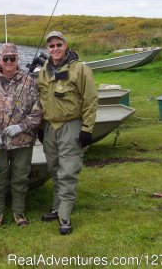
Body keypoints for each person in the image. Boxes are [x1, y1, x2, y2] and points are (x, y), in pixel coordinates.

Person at [37, 31, 98, 235]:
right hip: (49, 127)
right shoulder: (43, 71)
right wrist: (39, 128)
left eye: (58, 45)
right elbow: (40, 102)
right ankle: (57, 207)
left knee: (68, 172)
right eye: (51, 46)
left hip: (70, 126)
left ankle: (64, 215)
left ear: (66, 46)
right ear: (47, 49)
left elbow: (90, 101)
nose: (55, 49)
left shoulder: (81, 70)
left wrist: (87, 128)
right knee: (54, 170)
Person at [0, 43, 42, 229]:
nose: (9, 61)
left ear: (18, 59)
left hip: (22, 141)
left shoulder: (29, 82)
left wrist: (21, 126)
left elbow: (37, 112)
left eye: (13, 58)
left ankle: (18, 212)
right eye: (5, 58)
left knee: (20, 177)